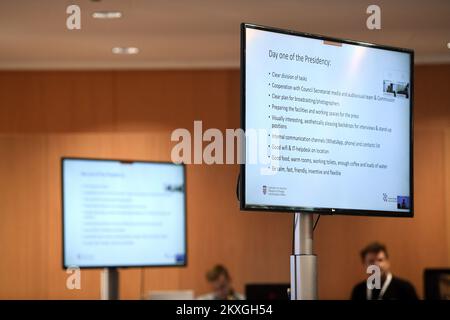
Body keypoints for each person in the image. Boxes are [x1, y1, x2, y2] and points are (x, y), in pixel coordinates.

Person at [351, 242, 418, 300]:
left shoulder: (405, 288)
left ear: (387, 262)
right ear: (365, 265)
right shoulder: (358, 290)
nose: (376, 265)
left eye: (380, 260)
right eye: (371, 261)